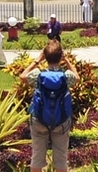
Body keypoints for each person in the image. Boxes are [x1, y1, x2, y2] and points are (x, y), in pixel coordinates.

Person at [25, 40, 79, 172]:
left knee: (37, 156)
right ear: (60, 56)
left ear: (45, 56)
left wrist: (37, 60)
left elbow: (22, 76)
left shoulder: (38, 75)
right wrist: (66, 60)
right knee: (61, 159)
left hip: (39, 120)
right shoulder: (66, 77)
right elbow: (77, 77)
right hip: (61, 121)